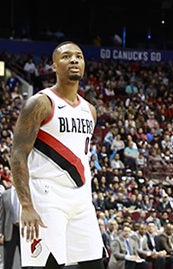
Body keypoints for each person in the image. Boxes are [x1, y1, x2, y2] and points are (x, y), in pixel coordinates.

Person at [10, 41, 104, 269]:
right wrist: (27, 206)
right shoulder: (40, 103)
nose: (74, 60)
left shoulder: (90, 110)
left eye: (79, 56)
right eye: (66, 56)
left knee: (94, 263)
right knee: (46, 265)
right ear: (53, 66)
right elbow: (17, 154)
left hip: (81, 198)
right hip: (47, 196)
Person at [0, 186, 22, 269]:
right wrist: (0, 232)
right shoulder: (5, 194)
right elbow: (2, 215)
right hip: (9, 230)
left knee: (25, 262)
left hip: (23, 230)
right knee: (8, 260)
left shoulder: (25, 192)